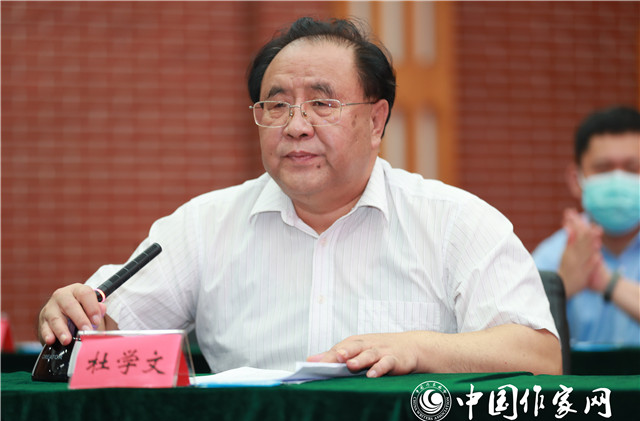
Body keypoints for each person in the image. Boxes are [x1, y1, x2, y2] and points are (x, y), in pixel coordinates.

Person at [38, 17, 561, 377]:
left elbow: (539, 356)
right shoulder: (203, 226)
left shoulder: (456, 222)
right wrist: (77, 319)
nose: (296, 126)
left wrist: (415, 347)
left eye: (322, 104)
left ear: (376, 121)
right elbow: (109, 336)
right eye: (277, 105)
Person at [533, 106, 640, 346]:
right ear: (576, 179)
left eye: (633, 168)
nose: (618, 180)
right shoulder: (550, 258)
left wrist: (608, 282)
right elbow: (518, 339)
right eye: (603, 169)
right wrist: (561, 288)